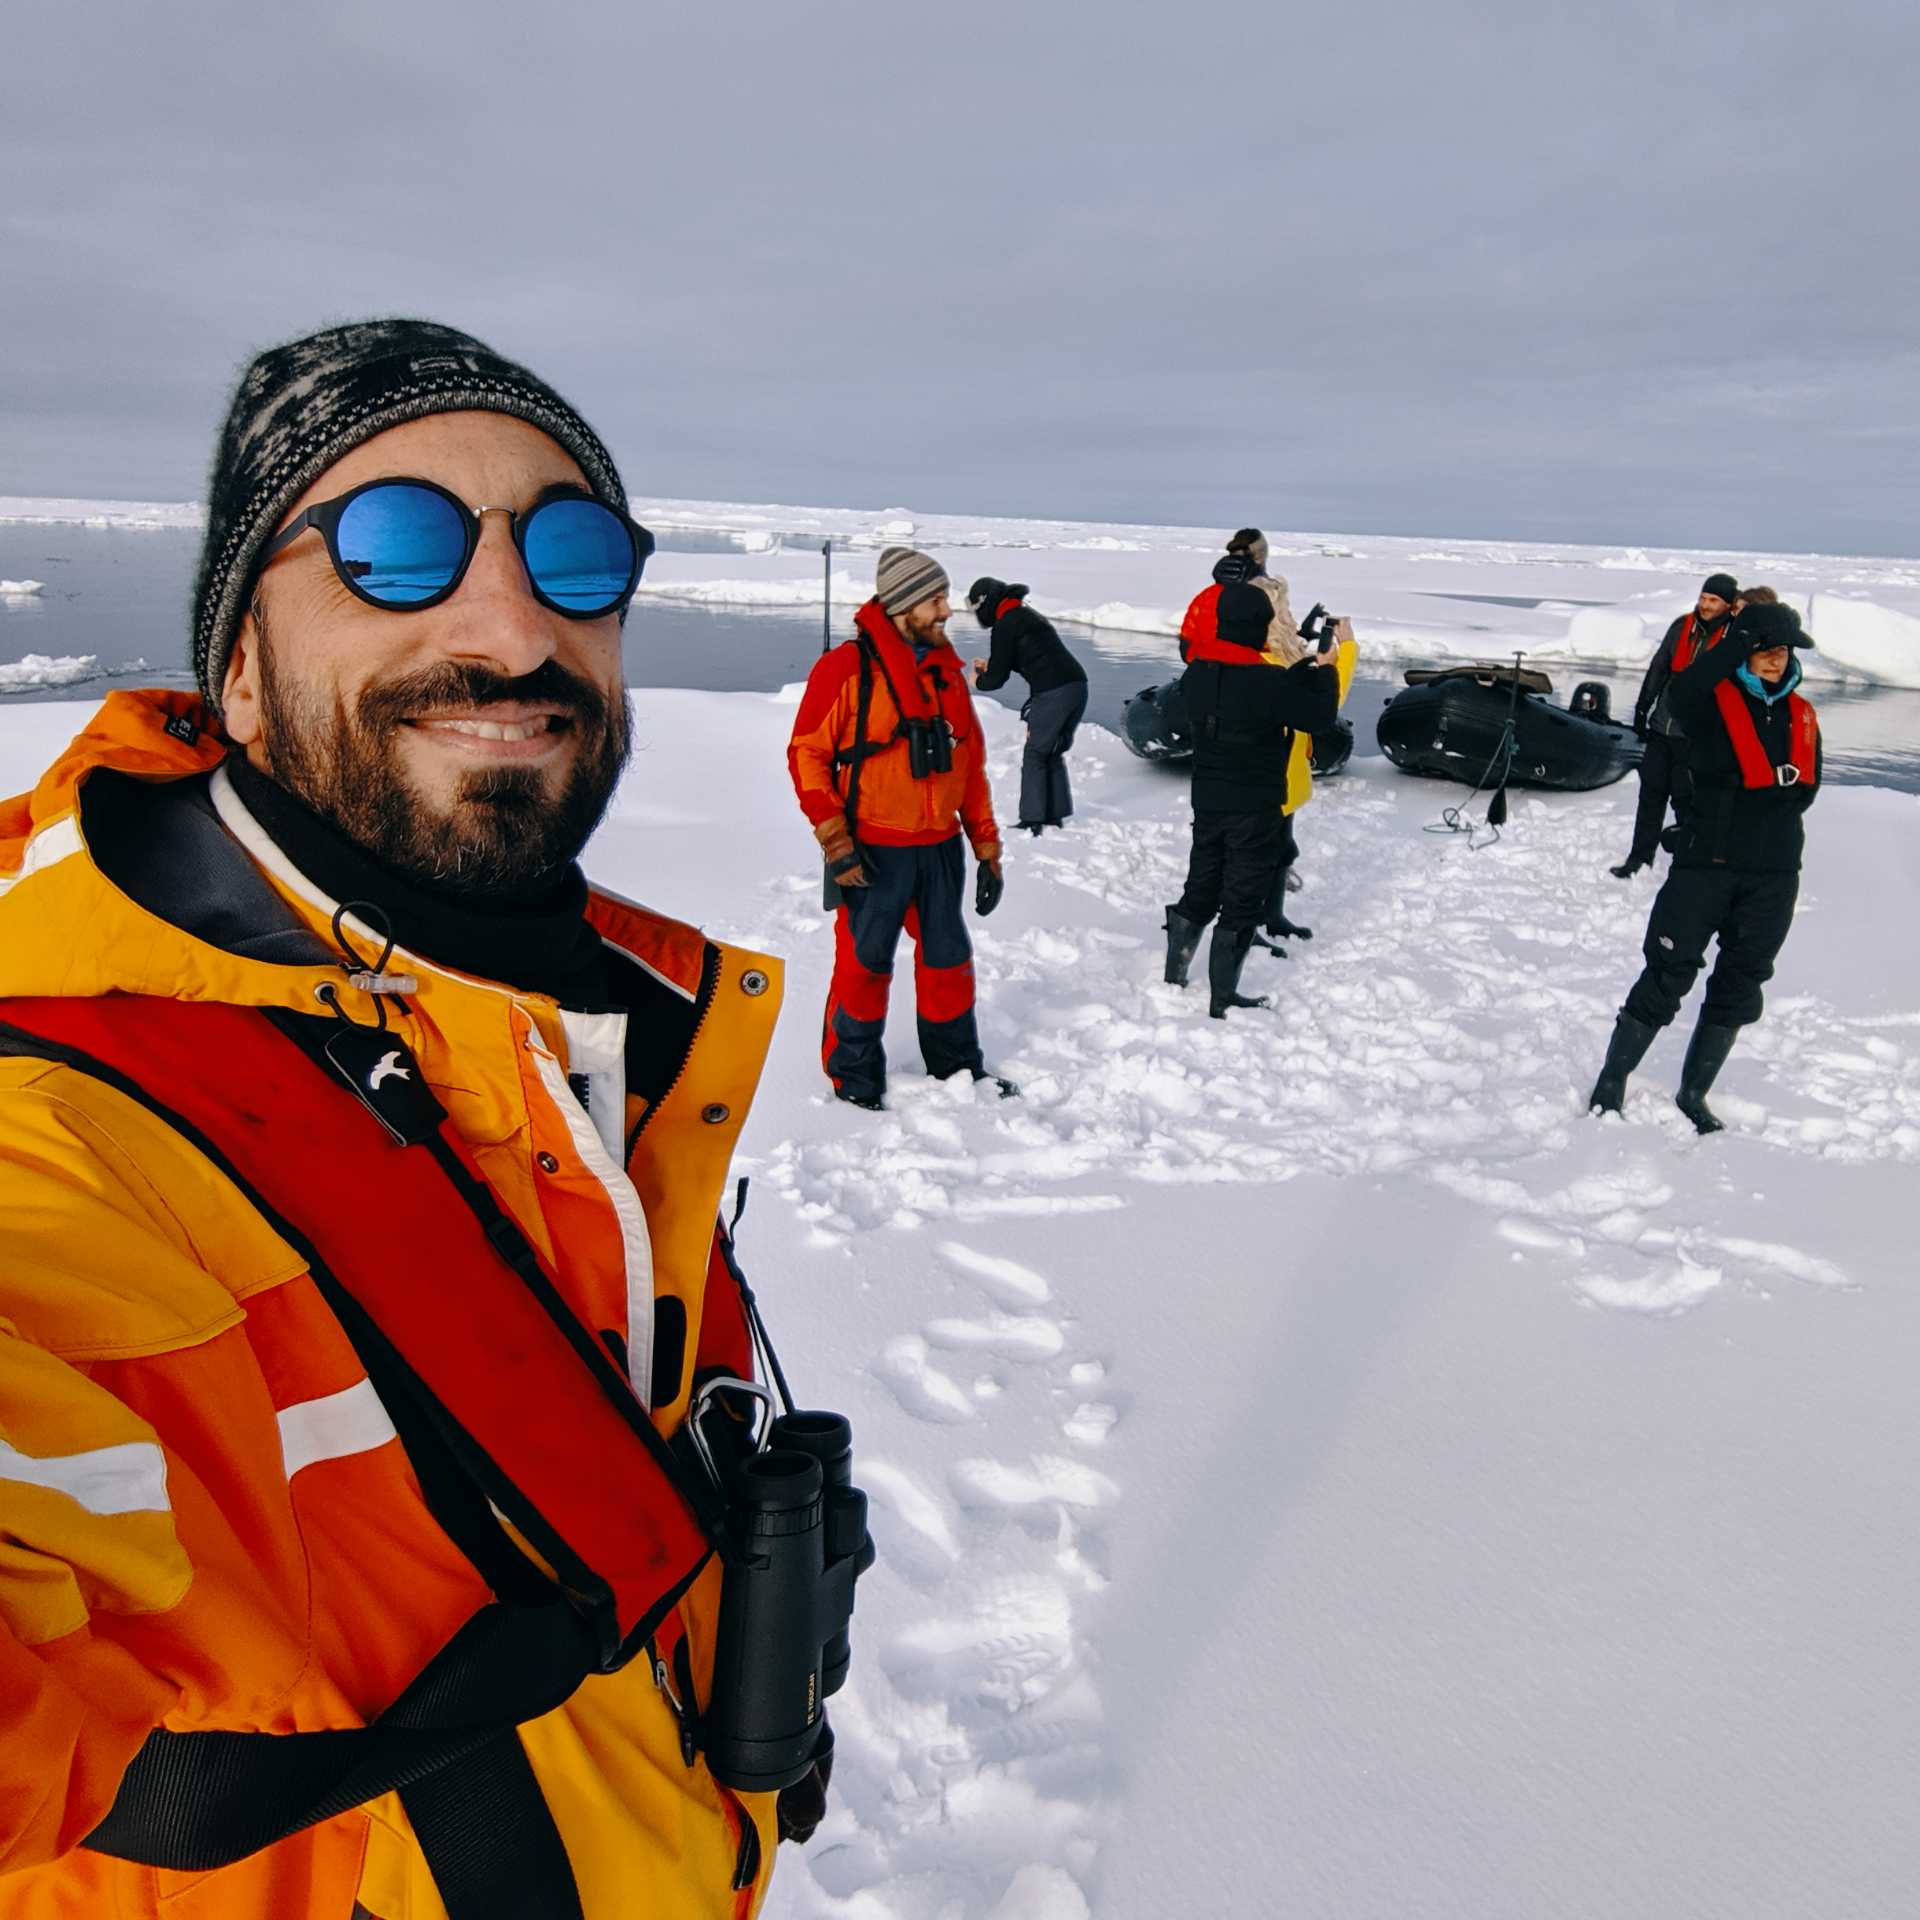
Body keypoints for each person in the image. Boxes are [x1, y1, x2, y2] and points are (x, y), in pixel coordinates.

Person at [0, 320, 846, 1918]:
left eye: (575, 554)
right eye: (395, 547)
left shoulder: (577, 1044)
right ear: (238, 667)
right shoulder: (70, 1129)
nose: (515, 628)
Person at [788, 547, 1010, 1110]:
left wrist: (986, 847)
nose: (946, 611)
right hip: (873, 848)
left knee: (948, 961)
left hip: (939, 848)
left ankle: (956, 1066)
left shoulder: (947, 674)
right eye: (935, 600)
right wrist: (836, 841)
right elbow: (807, 755)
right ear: (903, 604)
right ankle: (854, 1077)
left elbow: (969, 766)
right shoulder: (846, 669)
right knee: (865, 965)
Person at [1588, 600, 1821, 1132]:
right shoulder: (1709, 704)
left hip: (1774, 873)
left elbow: (1806, 792)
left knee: (1742, 980)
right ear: (1743, 652)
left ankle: (1693, 1093)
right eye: (1764, 649)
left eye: (1783, 650)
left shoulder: (1803, 715)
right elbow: (1682, 690)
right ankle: (1613, 1077)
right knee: (1669, 971)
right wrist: (1737, 642)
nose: (1776, 659)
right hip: (1705, 864)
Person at [1163, 573, 1341, 1016]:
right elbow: (1318, 718)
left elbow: (1241, 698)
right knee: (1242, 896)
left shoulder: (1197, 673)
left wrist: (1298, 674)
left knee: (1201, 885)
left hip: (1208, 799)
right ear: (1260, 626)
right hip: (1254, 805)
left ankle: (1175, 974)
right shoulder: (1268, 681)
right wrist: (1326, 669)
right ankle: (1222, 997)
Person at [1178, 530, 1356, 950]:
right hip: (1265, 767)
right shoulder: (1267, 663)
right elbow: (1321, 708)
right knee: (1259, 851)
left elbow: (1189, 649)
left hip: (1224, 759)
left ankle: (1264, 918)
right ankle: (1249, 924)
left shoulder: (1209, 607)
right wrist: (1344, 652)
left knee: (1256, 847)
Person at [1610, 570, 1739, 878]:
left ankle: (1690, 860)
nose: (1705, 605)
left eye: (1713, 600)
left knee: (1687, 799)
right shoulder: (1682, 627)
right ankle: (1639, 858)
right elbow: (1659, 667)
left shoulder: (1733, 638)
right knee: (1651, 794)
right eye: (1703, 598)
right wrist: (1643, 707)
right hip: (1662, 728)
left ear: (1728, 604)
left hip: (1695, 736)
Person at [965, 576, 1088, 833]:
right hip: (1076, 685)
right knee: (1050, 750)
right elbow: (1027, 656)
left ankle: (1033, 820)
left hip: (1054, 692)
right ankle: (1054, 815)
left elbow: (996, 679)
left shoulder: (1005, 624)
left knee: (1035, 753)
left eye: (976, 608)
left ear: (985, 603)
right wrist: (990, 668)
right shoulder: (1025, 615)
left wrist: (978, 681)